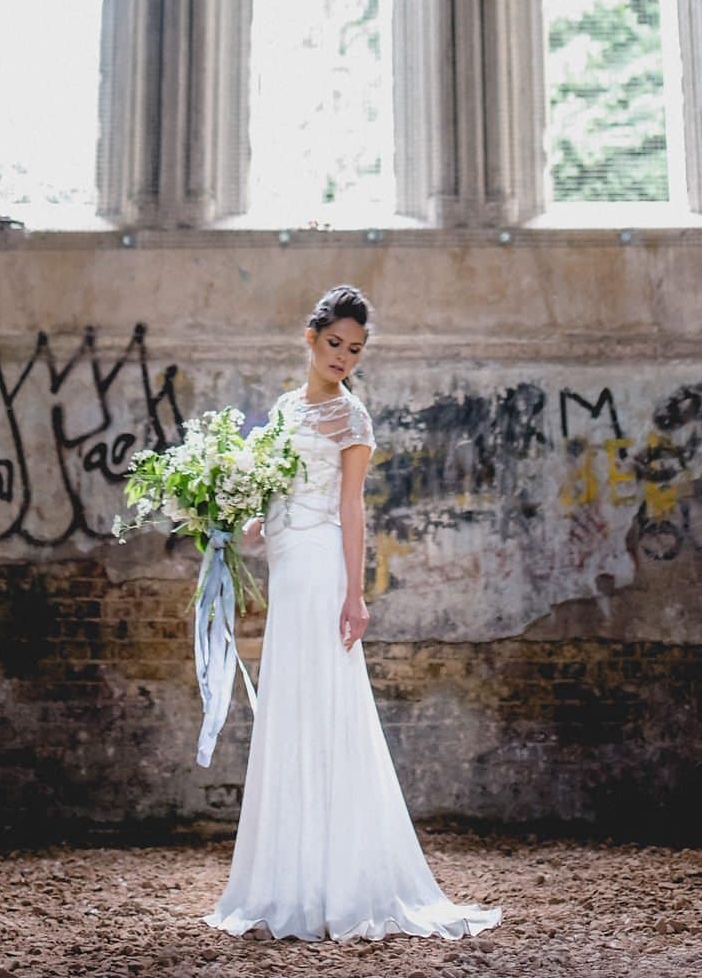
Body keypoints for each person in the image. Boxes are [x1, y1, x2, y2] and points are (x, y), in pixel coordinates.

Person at [202, 284, 503, 943]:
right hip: (285, 562)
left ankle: (340, 881)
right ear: (309, 339)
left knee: (325, 704)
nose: (343, 356)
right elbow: (278, 488)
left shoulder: (351, 419)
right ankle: (288, 878)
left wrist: (355, 592)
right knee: (290, 706)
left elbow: (351, 508)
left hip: (319, 570)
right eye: (334, 343)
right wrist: (252, 522)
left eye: (355, 349)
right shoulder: (284, 408)